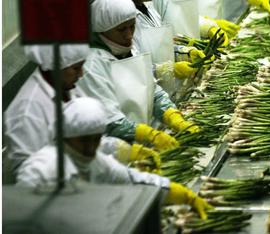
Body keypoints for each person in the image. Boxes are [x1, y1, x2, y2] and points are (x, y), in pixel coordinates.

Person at [16, 97, 212, 219]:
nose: (90, 148)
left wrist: (175, 191)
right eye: (84, 141)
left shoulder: (95, 162)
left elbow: (133, 179)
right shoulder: (40, 170)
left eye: (95, 140)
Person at [3, 44, 160, 174]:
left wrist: (125, 151)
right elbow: (29, 176)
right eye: (76, 68)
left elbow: (88, 138)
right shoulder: (28, 112)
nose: (81, 74)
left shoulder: (67, 88)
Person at [76, 0, 199, 152]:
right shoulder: (92, 65)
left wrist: (172, 116)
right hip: (121, 153)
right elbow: (110, 122)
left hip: (148, 144)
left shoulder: (129, 48)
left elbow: (151, 90)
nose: (129, 35)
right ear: (103, 30)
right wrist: (148, 135)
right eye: (121, 30)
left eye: (132, 26)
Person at [105, 0, 205, 81]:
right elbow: (132, 67)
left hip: (166, 87)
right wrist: (165, 70)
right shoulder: (125, 22)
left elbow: (160, 47)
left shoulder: (148, 7)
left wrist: (182, 52)